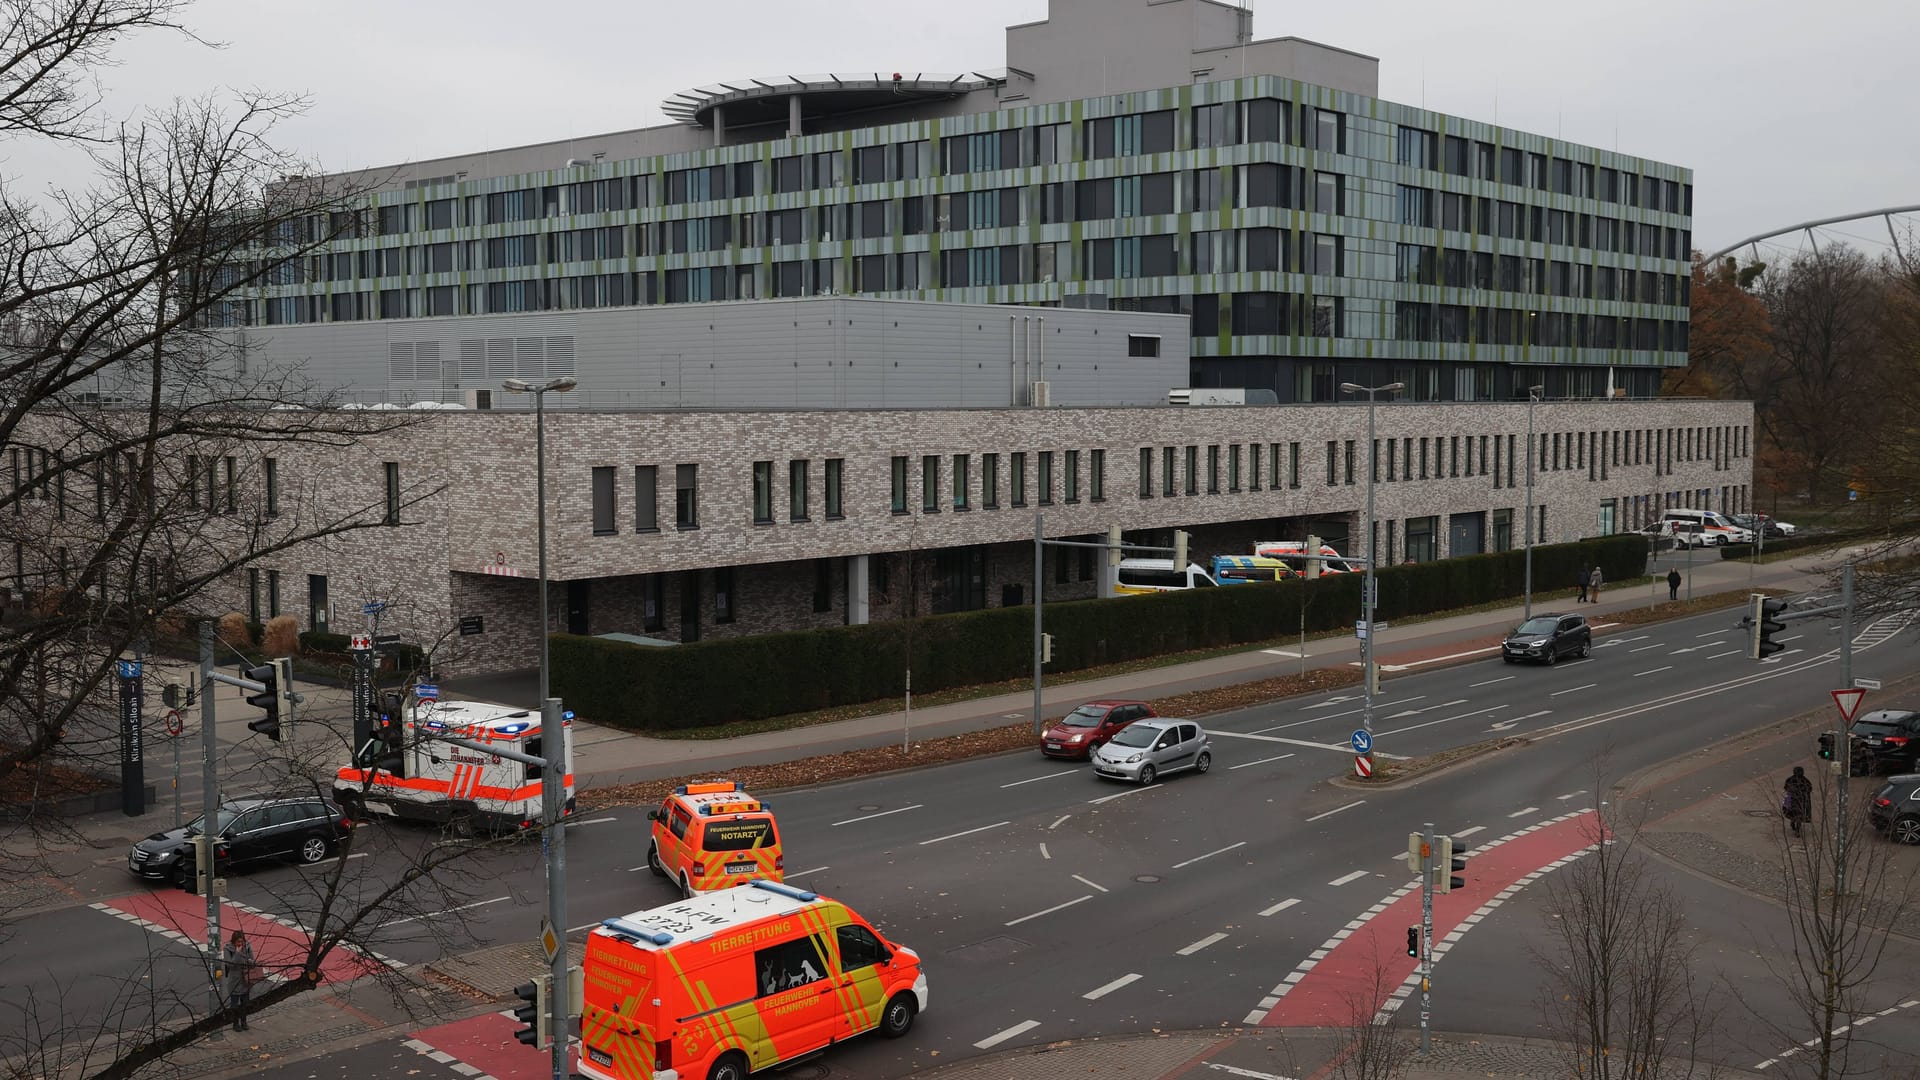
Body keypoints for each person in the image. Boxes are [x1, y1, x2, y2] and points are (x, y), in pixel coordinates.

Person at [220, 929, 257, 1031]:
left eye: (241, 942)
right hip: (234, 980)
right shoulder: (228, 949)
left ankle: (244, 1021)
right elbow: (230, 965)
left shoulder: (247, 947)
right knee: (235, 1004)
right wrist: (237, 954)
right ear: (234, 941)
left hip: (245, 979)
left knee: (245, 1003)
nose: (240, 944)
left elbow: (252, 961)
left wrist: (249, 961)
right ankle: (235, 1023)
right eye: (238, 942)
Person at [1783, 766, 1813, 835]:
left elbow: (1786, 788)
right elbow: (1809, 789)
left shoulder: (1792, 779)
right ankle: (1794, 824)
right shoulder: (1804, 780)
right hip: (1797, 801)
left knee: (1797, 815)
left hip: (1797, 801)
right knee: (1797, 814)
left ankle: (1797, 829)